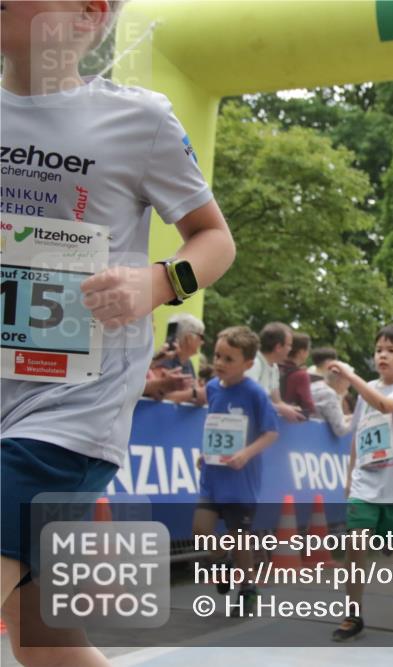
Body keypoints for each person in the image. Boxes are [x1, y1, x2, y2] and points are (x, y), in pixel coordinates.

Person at [1, 3, 236, 665]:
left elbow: (215, 238)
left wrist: (156, 282)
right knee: (43, 645)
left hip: (64, 413)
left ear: (88, 13)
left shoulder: (140, 119)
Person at [327, 325, 393, 641]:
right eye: (378, 350)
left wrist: (349, 376)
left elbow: (385, 406)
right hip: (366, 484)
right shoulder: (367, 391)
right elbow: (358, 437)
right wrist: (349, 476)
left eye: (391, 350)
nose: (382, 355)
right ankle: (353, 614)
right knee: (356, 544)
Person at [192, 327, 279, 611]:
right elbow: (215, 423)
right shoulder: (213, 388)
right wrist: (206, 453)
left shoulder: (255, 393)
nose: (219, 363)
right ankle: (222, 559)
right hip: (214, 476)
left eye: (229, 359)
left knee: (240, 537)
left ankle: (247, 587)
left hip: (241, 480)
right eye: (217, 356)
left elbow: (271, 433)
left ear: (248, 364)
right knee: (201, 530)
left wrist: (245, 453)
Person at [246, 321, 305, 422]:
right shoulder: (254, 363)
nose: (290, 349)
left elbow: (277, 401)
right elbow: (247, 398)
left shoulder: (274, 367)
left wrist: (291, 409)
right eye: (289, 345)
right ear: (278, 347)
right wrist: (281, 409)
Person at [158, 313, 207, 405]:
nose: (202, 342)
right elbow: (159, 396)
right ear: (189, 338)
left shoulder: (188, 362)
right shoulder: (164, 360)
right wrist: (194, 394)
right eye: (201, 337)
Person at [308, 347, 351, 437]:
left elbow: (335, 417)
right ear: (340, 380)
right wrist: (359, 422)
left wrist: (351, 418)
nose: (349, 386)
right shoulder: (329, 394)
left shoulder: (316, 385)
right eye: (348, 381)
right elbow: (340, 430)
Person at [279, 332, 315, 416]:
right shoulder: (301, 375)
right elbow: (308, 405)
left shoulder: (273, 367)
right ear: (301, 352)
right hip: (290, 421)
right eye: (308, 350)